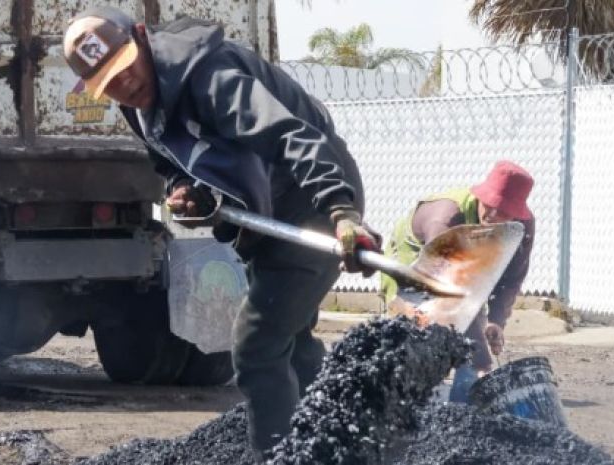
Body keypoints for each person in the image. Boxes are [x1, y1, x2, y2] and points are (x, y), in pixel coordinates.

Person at [63, 7, 381, 457]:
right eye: (108, 82)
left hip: (310, 200)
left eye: (124, 66)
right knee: (288, 341)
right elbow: (168, 164)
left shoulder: (210, 77)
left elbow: (293, 136)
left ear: (140, 38)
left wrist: (342, 209)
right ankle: (337, 448)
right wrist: (185, 191)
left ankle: (276, 456)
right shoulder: (139, 109)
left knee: (256, 348)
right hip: (264, 216)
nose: (124, 84)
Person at [380, 160, 536, 402]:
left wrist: (496, 321)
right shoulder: (447, 217)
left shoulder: (521, 227)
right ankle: (396, 395)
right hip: (415, 253)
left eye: (505, 211)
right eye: (490, 205)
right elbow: (446, 285)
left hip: (466, 259)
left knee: (469, 335)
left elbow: (513, 276)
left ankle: (459, 401)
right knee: (415, 321)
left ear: (518, 213)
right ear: (480, 197)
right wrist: (480, 355)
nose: (494, 215)